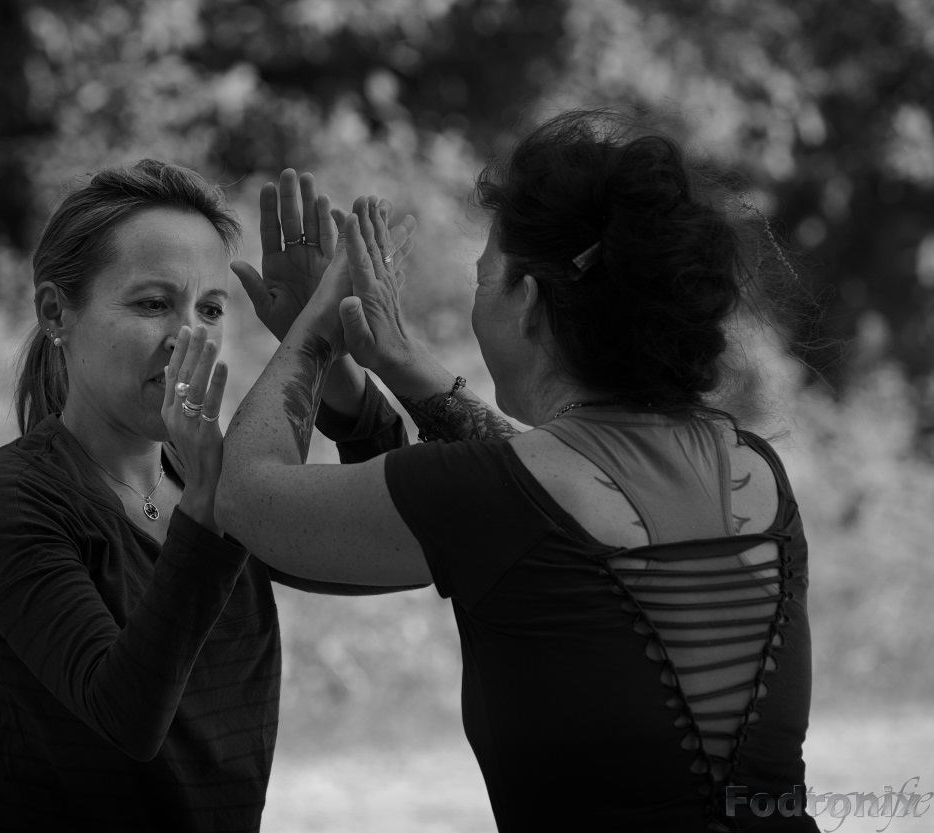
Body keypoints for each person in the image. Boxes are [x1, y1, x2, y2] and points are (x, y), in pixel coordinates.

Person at [214, 111, 817, 831]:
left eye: (483, 280)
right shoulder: (755, 469)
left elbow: (246, 497)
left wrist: (314, 329)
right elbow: (541, 494)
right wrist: (396, 360)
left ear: (528, 299)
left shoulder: (500, 496)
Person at [0, 159, 417, 831]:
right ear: (56, 313)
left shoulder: (216, 484)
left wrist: (327, 352)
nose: (188, 335)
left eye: (210, 309)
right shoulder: (6, 499)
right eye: (152, 304)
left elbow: (400, 544)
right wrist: (206, 510)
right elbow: (124, 717)